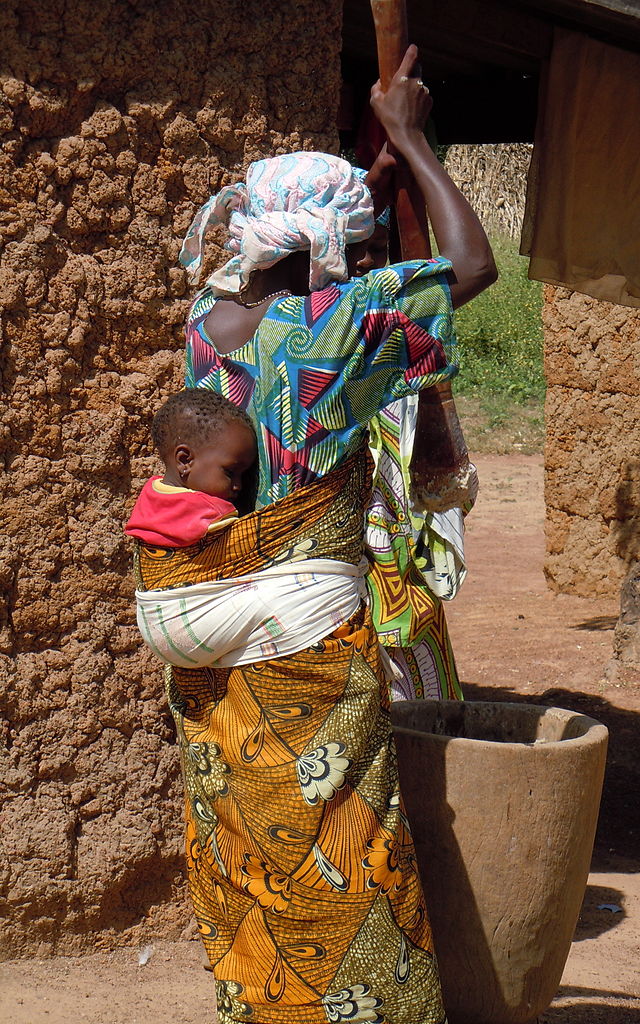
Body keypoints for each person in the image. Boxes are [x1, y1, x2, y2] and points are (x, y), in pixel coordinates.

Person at [136, 45, 496, 1024]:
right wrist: (415, 140)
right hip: (308, 659)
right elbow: (473, 265)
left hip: (219, 650)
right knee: (343, 865)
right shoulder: (336, 330)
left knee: (243, 851)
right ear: (337, 245)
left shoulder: (209, 325)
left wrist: (369, 184)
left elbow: (294, 287)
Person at [353, 213, 469, 701]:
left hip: (397, 561)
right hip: (339, 572)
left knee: (422, 713)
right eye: (350, 246)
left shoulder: (387, 322)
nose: (364, 262)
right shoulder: (321, 330)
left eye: (378, 250)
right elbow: (474, 265)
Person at [125, 388, 257, 548]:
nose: (239, 486)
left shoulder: (149, 492)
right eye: (230, 472)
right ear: (184, 460)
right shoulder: (212, 514)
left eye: (243, 475)